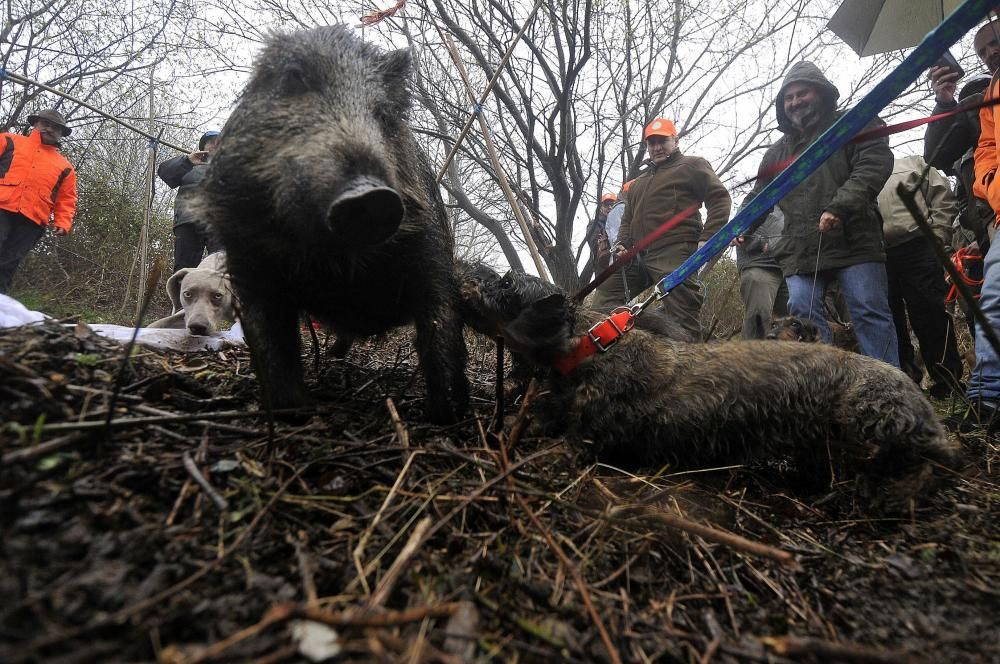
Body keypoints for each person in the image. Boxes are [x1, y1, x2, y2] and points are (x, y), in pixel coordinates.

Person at [748, 61, 897, 366]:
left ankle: (888, 384)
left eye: (802, 93)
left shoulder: (854, 124)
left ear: (821, 93)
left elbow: (873, 165)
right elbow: (760, 196)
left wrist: (839, 206)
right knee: (802, 312)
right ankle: (827, 383)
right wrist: (742, 226)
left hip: (854, 238)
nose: (795, 102)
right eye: (788, 98)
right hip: (801, 247)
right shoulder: (777, 153)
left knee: (869, 311)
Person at [592, 118, 732, 340]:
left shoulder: (692, 165)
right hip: (636, 256)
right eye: (651, 143)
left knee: (682, 314)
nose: (656, 147)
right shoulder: (638, 183)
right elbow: (627, 220)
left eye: (662, 141)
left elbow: (720, 198)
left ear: (675, 141)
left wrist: (708, 237)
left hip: (674, 250)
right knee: (602, 303)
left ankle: (692, 367)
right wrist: (621, 245)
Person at [877, 154, 964, 398]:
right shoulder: (850, 171)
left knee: (930, 313)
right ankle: (904, 383)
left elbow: (942, 197)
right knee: (888, 319)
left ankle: (947, 382)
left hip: (917, 246)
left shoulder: (911, 163)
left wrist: (937, 236)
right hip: (874, 254)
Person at [957, 19, 1000, 429]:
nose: (989, 53)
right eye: (981, 51)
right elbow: (985, 149)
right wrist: (990, 182)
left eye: (994, 43)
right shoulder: (990, 94)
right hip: (999, 215)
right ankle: (987, 399)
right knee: (996, 299)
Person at [0, 109, 77, 293]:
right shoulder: (9, 141)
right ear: (35, 124)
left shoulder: (65, 167)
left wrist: (63, 221)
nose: (50, 129)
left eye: (56, 128)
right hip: (2, 206)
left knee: (8, 264)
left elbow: (67, 198)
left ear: (61, 134)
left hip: (32, 220)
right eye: (46, 124)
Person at [158, 130, 223, 272]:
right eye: (211, 142)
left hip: (219, 223)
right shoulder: (188, 164)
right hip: (188, 220)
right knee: (184, 268)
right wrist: (187, 161)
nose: (214, 145)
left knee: (222, 269)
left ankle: (221, 294)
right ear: (203, 146)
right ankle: (181, 293)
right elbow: (164, 173)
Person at [736, 209, 787, 339]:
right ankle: (751, 357)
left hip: (790, 268)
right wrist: (764, 243)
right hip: (760, 265)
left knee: (793, 323)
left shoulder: (794, 200)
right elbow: (739, 232)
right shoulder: (758, 198)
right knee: (759, 319)